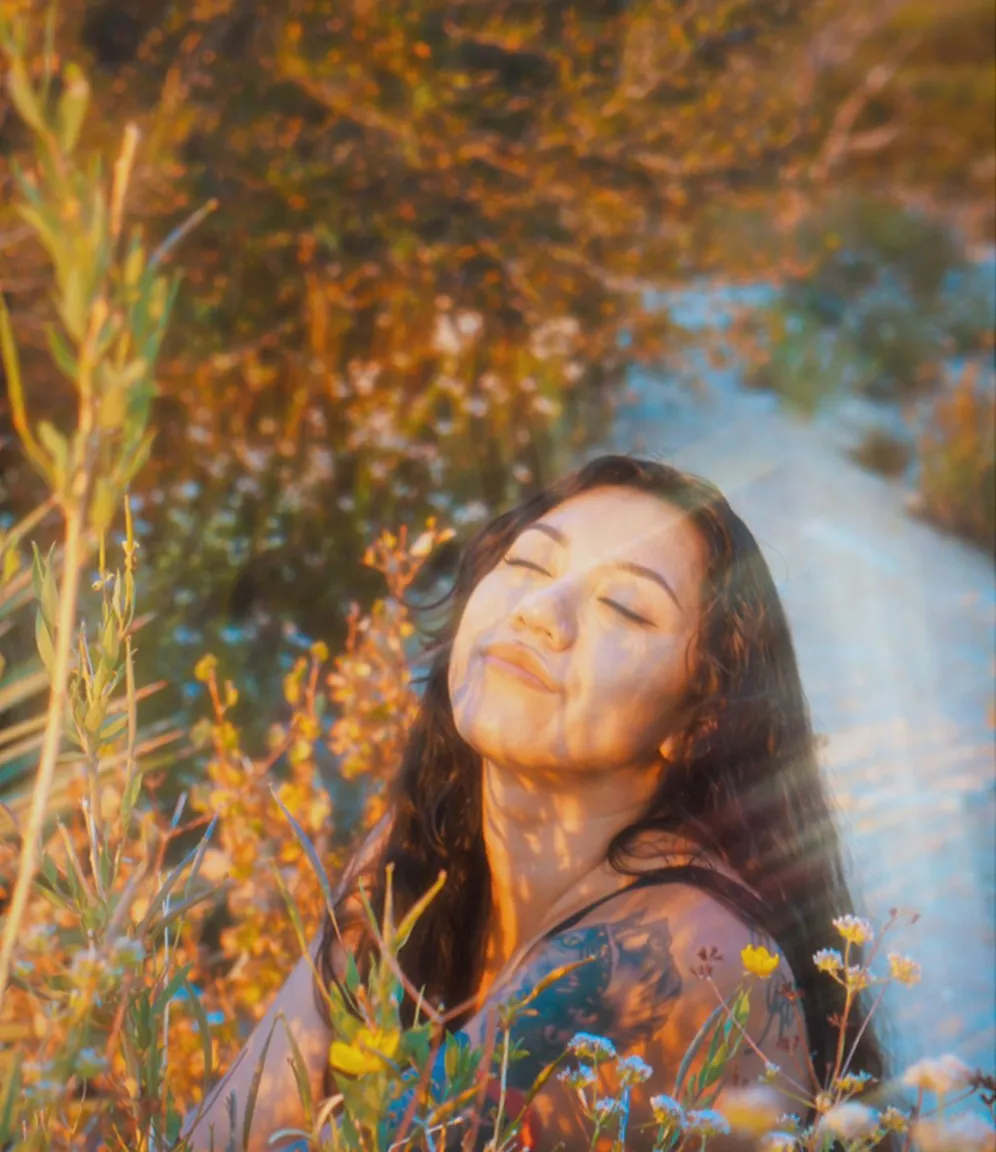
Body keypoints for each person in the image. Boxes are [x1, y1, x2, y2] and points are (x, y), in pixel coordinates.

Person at [184, 454, 890, 1151]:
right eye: (528, 566)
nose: (539, 612)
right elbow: (230, 1127)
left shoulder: (665, 953)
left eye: (622, 606)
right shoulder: (422, 850)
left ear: (698, 720)